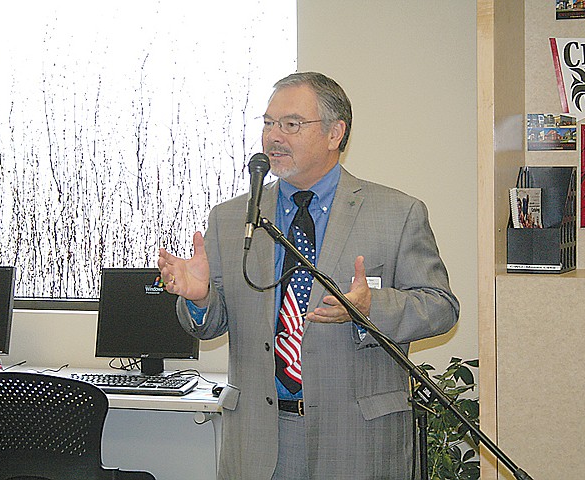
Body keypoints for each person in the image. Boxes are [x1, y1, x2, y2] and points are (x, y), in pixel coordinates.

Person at [157, 72, 459, 480]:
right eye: (268, 124)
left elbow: (441, 307)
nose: (274, 137)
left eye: (291, 124)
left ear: (335, 133)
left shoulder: (397, 212)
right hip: (258, 440)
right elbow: (211, 325)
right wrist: (199, 297)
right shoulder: (230, 219)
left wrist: (372, 309)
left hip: (357, 438)